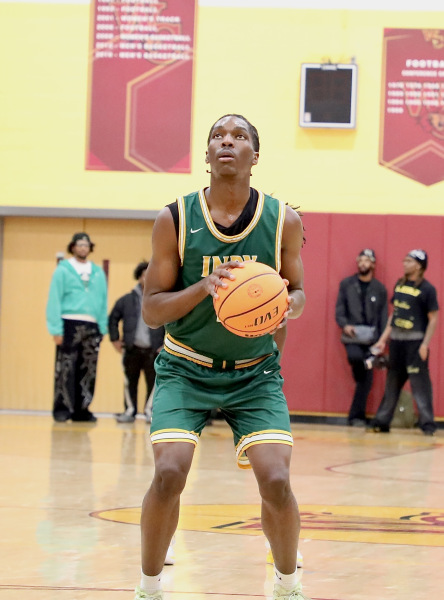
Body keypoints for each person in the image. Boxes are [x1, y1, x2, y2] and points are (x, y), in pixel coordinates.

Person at [134, 114, 310, 600]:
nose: (227, 141)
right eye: (218, 136)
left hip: (254, 373)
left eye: (239, 136)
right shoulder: (175, 218)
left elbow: (298, 293)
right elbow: (151, 310)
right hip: (185, 367)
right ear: (208, 154)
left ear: (256, 155)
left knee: (276, 479)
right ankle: (149, 587)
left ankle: (288, 585)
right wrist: (204, 287)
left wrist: (286, 304)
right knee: (169, 472)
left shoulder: (283, 220)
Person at [370, 249, 439, 436]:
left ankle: (427, 424)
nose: (404, 264)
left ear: (419, 266)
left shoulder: (427, 289)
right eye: (405, 260)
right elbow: (394, 315)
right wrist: (382, 340)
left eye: (409, 261)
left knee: (420, 386)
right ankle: (382, 422)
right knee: (392, 384)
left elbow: (433, 319)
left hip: (415, 343)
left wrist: (425, 344)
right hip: (397, 342)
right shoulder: (399, 285)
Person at [46, 232, 108, 423]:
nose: (83, 248)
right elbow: (54, 299)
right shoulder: (63, 269)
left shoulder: (98, 272)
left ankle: (82, 410)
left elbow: (103, 300)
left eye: (86, 245)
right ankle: (62, 409)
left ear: (90, 248)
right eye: (79, 244)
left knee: (89, 369)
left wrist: (102, 327)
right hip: (69, 323)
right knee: (66, 368)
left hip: (92, 324)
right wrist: (56, 329)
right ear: (73, 247)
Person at [335, 249, 388, 426]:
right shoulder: (347, 284)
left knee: (366, 380)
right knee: (357, 360)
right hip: (352, 336)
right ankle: (357, 416)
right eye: (361, 260)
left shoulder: (379, 289)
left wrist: (382, 341)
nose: (363, 263)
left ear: (373, 264)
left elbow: (383, 316)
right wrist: (345, 325)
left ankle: (356, 417)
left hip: (371, 339)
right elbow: (340, 309)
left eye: (367, 260)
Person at [108, 261, 165, 423]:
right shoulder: (126, 300)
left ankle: (150, 412)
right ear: (139, 277)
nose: (148, 278)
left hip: (154, 350)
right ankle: (130, 410)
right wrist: (115, 339)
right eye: (145, 275)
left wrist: (165, 344)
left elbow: (172, 322)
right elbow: (113, 318)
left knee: (153, 383)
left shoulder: (161, 300)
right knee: (130, 382)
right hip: (131, 349)